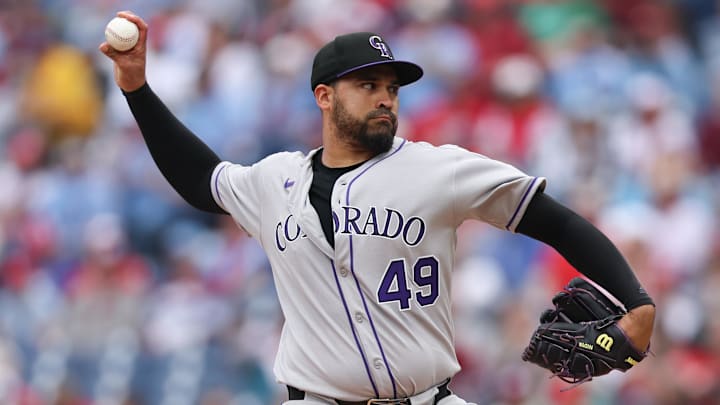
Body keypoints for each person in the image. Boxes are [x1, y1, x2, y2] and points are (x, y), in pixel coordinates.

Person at [100, 11, 655, 405]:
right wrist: (137, 88)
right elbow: (201, 179)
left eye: (392, 86)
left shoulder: (439, 169)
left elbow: (554, 219)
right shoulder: (275, 181)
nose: (386, 97)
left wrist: (636, 302)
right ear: (324, 96)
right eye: (368, 85)